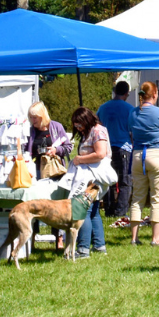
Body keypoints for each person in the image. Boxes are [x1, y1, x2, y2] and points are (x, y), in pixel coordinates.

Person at [127, 81, 159, 246]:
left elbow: (131, 134)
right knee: (157, 198)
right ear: (155, 94)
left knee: (137, 198)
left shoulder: (133, 112)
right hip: (156, 154)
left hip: (138, 155)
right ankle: (155, 239)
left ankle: (134, 238)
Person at [69, 107, 109, 257]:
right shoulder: (89, 132)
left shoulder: (98, 130)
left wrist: (79, 159)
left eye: (79, 125)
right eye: (76, 126)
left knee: (82, 211)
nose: (78, 129)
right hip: (89, 177)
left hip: (93, 177)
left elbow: (100, 153)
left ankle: (83, 249)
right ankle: (99, 246)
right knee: (93, 211)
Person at [98, 80, 135, 226]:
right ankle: (120, 211)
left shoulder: (103, 107)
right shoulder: (129, 109)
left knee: (108, 180)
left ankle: (108, 208)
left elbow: (98, 124)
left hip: (106, 147)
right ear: (126, 93)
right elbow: (132, 130)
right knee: (124, 181)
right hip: (123, 147)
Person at [26, 101, 72, 179]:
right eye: (30, 117)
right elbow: (25, 151)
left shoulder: (57, 127)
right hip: (36, 171)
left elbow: (68, 147)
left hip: (55, 170)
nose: (32, 120)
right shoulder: (30, 131)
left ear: (42, 116)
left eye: (35, 117)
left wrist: (56, 150)